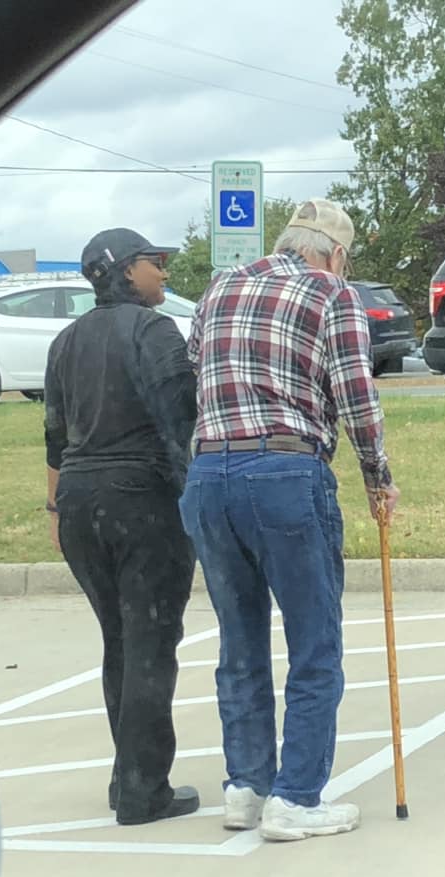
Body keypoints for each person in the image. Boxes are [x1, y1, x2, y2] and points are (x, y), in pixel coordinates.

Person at [179, 199, 400, 842]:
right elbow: (356, 394)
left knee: (239, 641)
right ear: (333, 254)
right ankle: (297, 797)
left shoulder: (220, 286)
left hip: (208, 476)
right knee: (314, 642)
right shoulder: (333, 293)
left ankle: (246, 786)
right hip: (285, 471)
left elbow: (198, 368)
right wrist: (376, 476)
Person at [44, 228, 200, 826]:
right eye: (153, 262)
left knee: (120, 639)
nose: (163, 272)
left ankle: (126, 774)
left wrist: (56, 510)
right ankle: (144, 790)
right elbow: (177, 420)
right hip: (141, 498)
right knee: (152, 642)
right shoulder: (154, 331)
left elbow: (55, 436)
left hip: (80, 502)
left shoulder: (65, 341)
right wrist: (193, 500)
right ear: (124, 273)